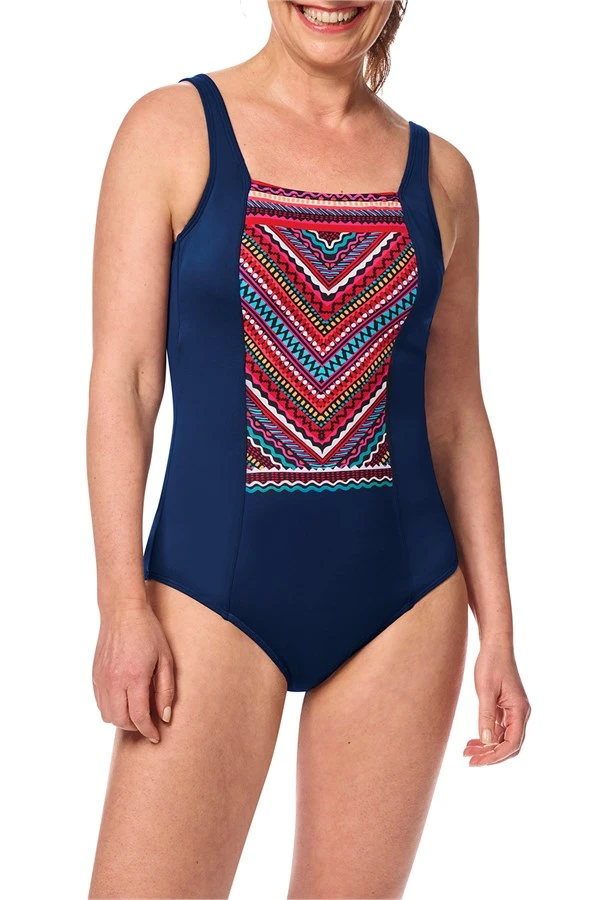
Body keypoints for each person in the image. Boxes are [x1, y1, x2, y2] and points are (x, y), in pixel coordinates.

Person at [87, 2, 531, 897]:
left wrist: (501, 637)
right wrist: (121, 606)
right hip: (207, 601)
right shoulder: (171, 130)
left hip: (405, 608)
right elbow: (126, 384)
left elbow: (456, 417)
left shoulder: (442, 175)